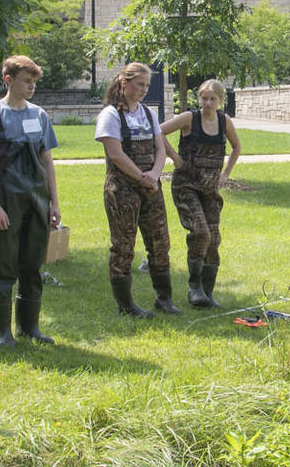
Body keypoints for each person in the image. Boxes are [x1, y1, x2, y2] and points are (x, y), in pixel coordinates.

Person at [0, 55, 60, 347]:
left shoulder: (39, 115)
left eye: (34, 82)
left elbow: (47, 161)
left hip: (36, 200)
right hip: (5, 201)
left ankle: (30, 327)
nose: (32, 87)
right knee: (3, 264)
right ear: (8, 80)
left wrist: (54, 203)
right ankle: (3, 332)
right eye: (27, 81)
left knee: (32, 263)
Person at [97, 62, 178, 317]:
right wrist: (141, 177)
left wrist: (154, 174)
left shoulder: (148, 113)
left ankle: (164, 299)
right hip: (122, 190)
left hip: (151, 186)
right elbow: (116, 154)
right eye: (139, 84)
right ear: (124, 82)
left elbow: (160, 147)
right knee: (124, 245)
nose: (143, 90)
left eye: (146, 85)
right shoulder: (110, 115)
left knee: (159, 241)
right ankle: (126, 305)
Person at [160, 79, 241, 308]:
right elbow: (159, 132)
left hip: (210, 190)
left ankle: (207, 292)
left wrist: (226, 173)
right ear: (199, 99)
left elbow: (236, 147)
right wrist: (175, 158)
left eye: (212, 99)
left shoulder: (224, 121)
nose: (207, 103)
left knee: (213, 239)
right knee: (201, 232)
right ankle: (194, 288)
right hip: (187, 186)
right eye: (204, 98)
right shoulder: (189, 118)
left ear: (220, 101)